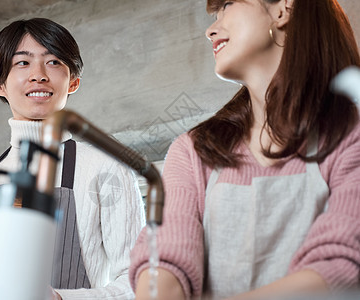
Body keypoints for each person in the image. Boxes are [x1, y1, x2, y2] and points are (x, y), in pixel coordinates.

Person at [130, 0, 360, 299]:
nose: (211, 31)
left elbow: (340, 267)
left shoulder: (350, 135)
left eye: (227, 4)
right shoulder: (193, 151)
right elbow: (164, 257)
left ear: (283, 9)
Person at [0, 18, 145, 299]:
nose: (39, 75)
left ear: (73, 82)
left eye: (54, 62)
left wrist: (59, 299)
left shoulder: (106, 170)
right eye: (22, 63)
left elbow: (139, 283)